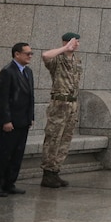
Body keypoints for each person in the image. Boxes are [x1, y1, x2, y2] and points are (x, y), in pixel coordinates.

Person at [0, 42, 35, 197]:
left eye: (31, 53)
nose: (30, 56)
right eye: (27, 53)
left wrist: (31, 117)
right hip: (11, 121)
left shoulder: (28, 72)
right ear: (17, 54)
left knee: (17, 154)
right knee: (3, 154)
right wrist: (6, 119)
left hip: (23, 120)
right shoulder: (8, 72)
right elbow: (3, 98)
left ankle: (9, 183)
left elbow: (30, 97)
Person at [39, 32, 83, 188]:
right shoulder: (57, 59)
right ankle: (47, 173)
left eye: (77, 41)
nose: (77, 44)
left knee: (65, 140)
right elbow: (45, 56)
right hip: (59, 105)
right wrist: (64, 48)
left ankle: (55, 171)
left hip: (72, 105)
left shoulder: (77, 61)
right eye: (74, 41)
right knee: (53, 138)